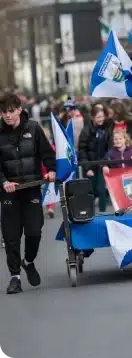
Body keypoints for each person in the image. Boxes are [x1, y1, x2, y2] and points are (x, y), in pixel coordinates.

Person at [0, 93, 56, 294]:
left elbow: (47, 153)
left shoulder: (33, 128)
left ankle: (29, 261)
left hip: (31, 188)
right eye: (3, 112)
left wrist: (50, 169)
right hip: (9, 193)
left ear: (18, 109)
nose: (7, 116)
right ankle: (15, 278)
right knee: (11, 237)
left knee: (34, 232)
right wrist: (4, 182)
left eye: (11, 111)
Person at [79, 104, 111, 213]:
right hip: (90, 166)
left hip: (102, 164)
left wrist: (107, 163)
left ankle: (103, 213)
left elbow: (108, 147)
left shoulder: (106, 128)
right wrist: (87, 168)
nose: (101, 119)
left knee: (102, 190)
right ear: (92, 117)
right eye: (98, 117)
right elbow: (82, 151)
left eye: (102, 116)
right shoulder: (86, 131)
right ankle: (89, 213)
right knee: (90, 192)